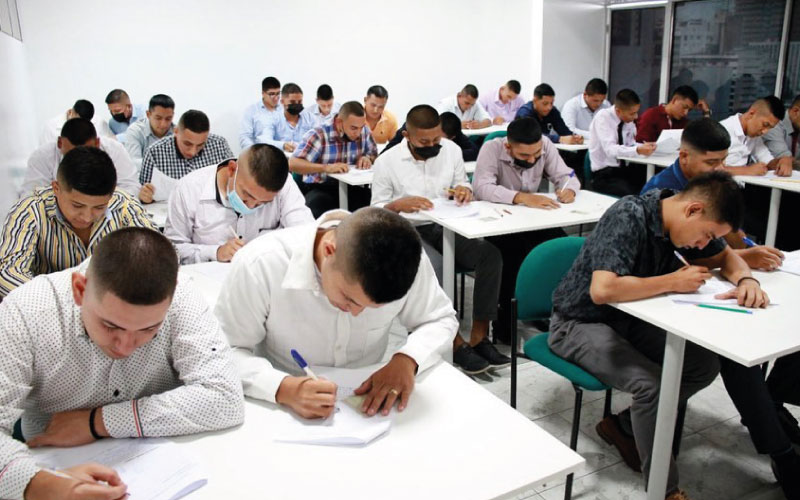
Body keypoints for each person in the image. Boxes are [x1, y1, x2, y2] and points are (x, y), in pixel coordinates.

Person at [550, 171, 769, 500]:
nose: (703, 245)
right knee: (651, 386)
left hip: (631, 319)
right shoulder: (629, 215)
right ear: (692, 210)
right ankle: (666, 491)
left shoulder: (683, 223)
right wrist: (673, 282)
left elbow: (727, 257)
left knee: (703, 366)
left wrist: (747, 280)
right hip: (579, 322)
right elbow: (603, 290)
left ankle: (627, 424)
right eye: (706, 235)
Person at [0, 227, 244, 500]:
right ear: (80, 290)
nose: (126, 347)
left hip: (170, 464)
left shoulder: (182, 295)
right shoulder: (26, 313)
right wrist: (40, 485)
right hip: (54, 464)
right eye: (110, 325)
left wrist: (98, 422)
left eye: (149, 329)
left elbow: (225, 398)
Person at [636, 120, 800, 498]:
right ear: (684, 157)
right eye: (712, 162)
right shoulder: (659, 194)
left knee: (773, 325)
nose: (720, 169)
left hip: (702, 290)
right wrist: (737, 259)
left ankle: (772, 410)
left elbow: (727, 242)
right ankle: (780, 449)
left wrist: (746, 265)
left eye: (724, 161)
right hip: (662, 300)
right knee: (733, 354)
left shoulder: (714, 189)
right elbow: (679, 258)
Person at [215, 207, 458, 419]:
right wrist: (282, 387)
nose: (357, 313)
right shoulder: (261, 264)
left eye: (371, 307)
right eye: (349, 299)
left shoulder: (405, 260)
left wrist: (408, 359)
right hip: (282, 407)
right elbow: (224, 351)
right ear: (329, 250)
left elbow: (440, 318)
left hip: (366, 405)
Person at [371, 105, 507, 374]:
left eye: (436, 139)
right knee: (435, 267)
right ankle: (453, 342)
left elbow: (462, 182)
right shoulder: (387, 162)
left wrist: (464, 190)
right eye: (424, 142)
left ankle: (480, 336)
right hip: (406, 231)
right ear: (407, 135)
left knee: (490, 256)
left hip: (447, 224)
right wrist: (397, 204)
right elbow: (376, 210)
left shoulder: (451, 150)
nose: (432, 146)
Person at [473, 117, 581, 339]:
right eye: (524, 156)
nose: (532, 159)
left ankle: (547, 312)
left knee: (559, 250)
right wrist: (521, 197)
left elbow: (566, 175)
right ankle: (504, 324)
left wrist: (569, 189)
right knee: (510, 258)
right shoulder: (492, 148)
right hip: (500, 222)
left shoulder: (545, 144)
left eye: (536, 154)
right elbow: (482, 187)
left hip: (534, 219)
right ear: (508, 146)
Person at [0, 147, 156, 298]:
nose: (87, 217)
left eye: (99, 207)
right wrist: (63, 301)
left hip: (111, 304)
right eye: (77, 205)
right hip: (47, 307)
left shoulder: (124, 206)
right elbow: (8, 272)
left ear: (112, 193)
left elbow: (157, 257)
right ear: (56, 188)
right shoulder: (30, 211)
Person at [165, 144, 313, 264]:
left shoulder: (285, 185)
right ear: (231, 169)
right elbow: (172, 250)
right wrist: (215, 252)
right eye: (247, 195)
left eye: (263, 202)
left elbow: (305, 235)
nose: (250, 206)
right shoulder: (189, 189)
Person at [289, 101, 378, 217]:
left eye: (361, 127)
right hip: (321, 186)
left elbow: (374, 155)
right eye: (353, 128)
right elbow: (293, 163)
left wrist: (368, 158)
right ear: (339, 122)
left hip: (352, 187)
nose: (358, 133)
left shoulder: (364, 131)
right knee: (318, 206)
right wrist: (326, 168)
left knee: (373, 204)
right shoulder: (319, 134)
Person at [23, 118, 140, 197]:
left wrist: (101, 204)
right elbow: (31, 195)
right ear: (59, 143)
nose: (79, 161)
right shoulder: (42, 157)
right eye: (71, 155)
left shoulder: (114, 149)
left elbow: (131, 188)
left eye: (85, 153)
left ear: (97, 143)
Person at [138, 110, 234, 204]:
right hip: (166, 210)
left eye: (200, 145)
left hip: (211, 208)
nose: (193, 151)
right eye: (187, 144)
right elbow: (142, 192)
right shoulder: (154, 153)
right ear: (176, 131)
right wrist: (144, 196)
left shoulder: (220, 145)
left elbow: (234, 180)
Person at [589, 88, 656, 197]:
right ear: (618, 111)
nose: (636, 117)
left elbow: (629, 145)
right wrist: (638, 150)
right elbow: (610, 150)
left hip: (624, 170)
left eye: (636, 112)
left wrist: (644, 146)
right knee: (634, 195)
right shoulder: (603, 118)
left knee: (652, 186)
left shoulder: (627, 120)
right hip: (605, 174)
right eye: (632, 114)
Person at [762, 94, 800, 251]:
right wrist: (790, 161)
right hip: (762, 190)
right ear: (796, 111)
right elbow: (784, 160)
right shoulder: (774, 124)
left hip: (786, 188)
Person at [718, 96, 791, 176]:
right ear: (751, 114)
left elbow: (768, 162)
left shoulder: (754, 136)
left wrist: (783, 160)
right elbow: (710, 169)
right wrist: (747, 170)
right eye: (765, 125)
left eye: (770, 128)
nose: (765, 131)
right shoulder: (722, 130)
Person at [515, 83, 582, 144]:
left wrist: (575, 137)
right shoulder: (524, 113)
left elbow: (564, 131)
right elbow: (531, 136)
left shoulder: (552, 111)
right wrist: (559, 139)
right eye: (545, 103)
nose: (549, 107)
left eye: (551, 103)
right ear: (535, 100)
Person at [635, 86, 706, 143]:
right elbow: (640, 144)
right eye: (684, 107)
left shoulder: (684, 122)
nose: (685, 113)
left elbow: (703, 137)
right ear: (674, 100)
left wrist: (706, 112)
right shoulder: (651, 115)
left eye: (689, 110)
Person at [124, 94, 176, 171]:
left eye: (168, 119)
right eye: (158, 118)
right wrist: (164, 166)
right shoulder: (135, 131)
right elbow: (133, 162)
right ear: (148, 114)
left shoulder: (178, 134)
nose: (163, 124)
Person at [265, 83, 315, 153]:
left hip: (304, 157)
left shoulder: (310, 118)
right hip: (280, 157)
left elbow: (317, 140)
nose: (297, 104)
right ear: (282, 101)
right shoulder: (272, 119)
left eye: (300, 101)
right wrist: (283, 145)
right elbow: (266, 141)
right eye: (292, 102)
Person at [39, 99, 114, 145]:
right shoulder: (51, 126)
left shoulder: (99, 122)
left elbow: (111, 143)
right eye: (78, 121)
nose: (81, 125)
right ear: (71, 112)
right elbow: (45, 155)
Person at [239, 76, 283, 149]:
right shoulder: (251, 111)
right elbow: (245, 137)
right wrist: (253, 152)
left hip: (283, 152)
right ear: (263, 93)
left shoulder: (284, 108)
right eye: (272, 94)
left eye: (278, 93)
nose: (276, 98)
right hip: (261, 152)